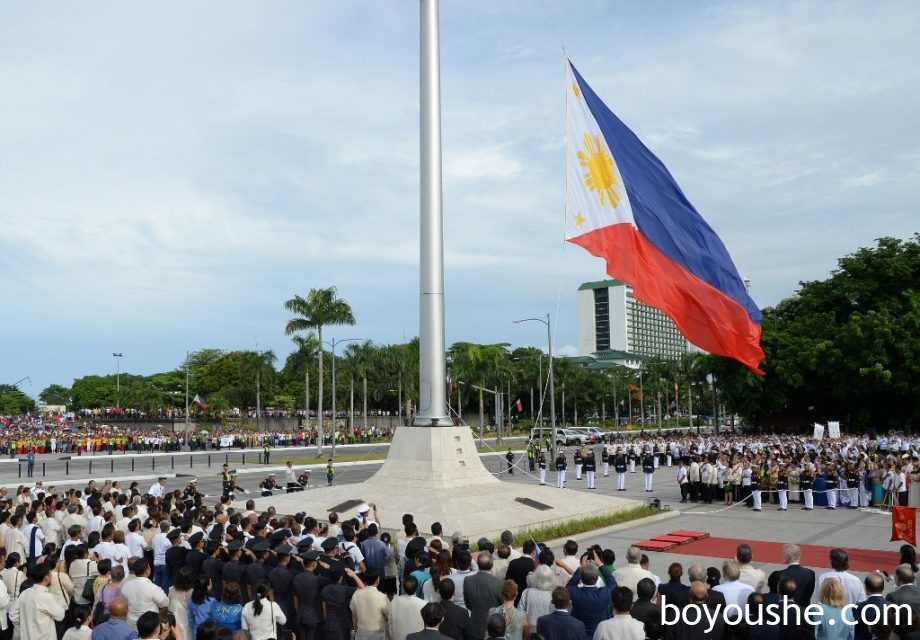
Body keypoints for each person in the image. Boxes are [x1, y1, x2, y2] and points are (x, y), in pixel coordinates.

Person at [19, 562, 66, 640]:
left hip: (26, 636)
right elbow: (60, 615)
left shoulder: (24, 593)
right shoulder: (45, 596)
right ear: (46, 578)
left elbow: (14, 615)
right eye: (50, 575)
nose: (51, 577)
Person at [120, 559, 169, 630]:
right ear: (147, 571)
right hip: (149, 626)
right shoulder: (152, 588)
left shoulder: (126, 585)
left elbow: (123, 603)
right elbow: (165, 603)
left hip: (131, 624)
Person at [463, 552, 502, 639]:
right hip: (493, 626)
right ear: (491, 565)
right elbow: (501, 603)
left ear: (477, 563)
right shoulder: (497, 582)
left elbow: (467, 603)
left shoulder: (467, 580)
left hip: (475, 624)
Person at [349, 570, 390, 640]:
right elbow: (388, 616)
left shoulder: (356, 595)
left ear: (364, 581)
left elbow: (354, 615)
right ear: (378, 580)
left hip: (361, 635)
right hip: (378, 636)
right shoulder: (382, 597)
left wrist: (356, 630)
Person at [389, 575, 426, 640]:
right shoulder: (423, 604)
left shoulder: (394, 601)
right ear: (417, 587)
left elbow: (390, 622)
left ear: (403, 587)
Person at [780, 544, 816, 608]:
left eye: (784, 554)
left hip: (787, 610)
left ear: (788, 557)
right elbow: (809, 593)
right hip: (804, 610)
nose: (783, 556)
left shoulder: (782, 574)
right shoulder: (810, 573)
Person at [854, 573, 888, 640]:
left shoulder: (858, 607)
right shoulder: (892, 607)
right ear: (883, 588)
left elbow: (854, 630)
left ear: (866, 588)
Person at [167, 567, 193, 640]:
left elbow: (168, 606)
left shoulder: (171, 589)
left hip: (173, 624)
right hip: (186, 625)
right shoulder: (192, 593)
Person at [187, 576, 215, 640]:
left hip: (196, 632)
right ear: (207, 587)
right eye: (210, 583)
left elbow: (191, 618)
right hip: (208, 632)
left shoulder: (191, 599)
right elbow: (215, 619)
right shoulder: (212, 601)